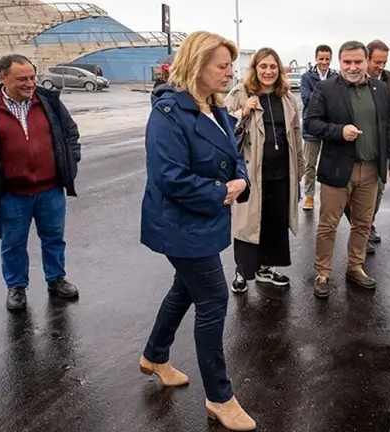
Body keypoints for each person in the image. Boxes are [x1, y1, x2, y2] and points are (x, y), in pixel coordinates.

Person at [138, 31, 256, 431]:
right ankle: (220, 398)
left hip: (204, 219)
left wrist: (239, 180)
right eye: (222, 66)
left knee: (185, 289)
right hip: (179, 223)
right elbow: (169, 178)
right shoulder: (169, 113)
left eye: (230, 66)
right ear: (197, 64)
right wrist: (222, 191)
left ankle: (155, 354)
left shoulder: (215, 107)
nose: (229, 73)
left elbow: (233, 155)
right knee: (213, 299)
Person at [304, 40, 390, 298]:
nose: (353, 67)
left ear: (366, 61)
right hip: (337, 169)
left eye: (358, 61)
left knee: (363, 223)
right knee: (328, 225)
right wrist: (338, 131)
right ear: (340, 62)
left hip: (370, 169)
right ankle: (323, 272)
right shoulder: (326, 88)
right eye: (347, 62)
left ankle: (355, 267)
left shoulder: (380, 89)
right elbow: (311, 122)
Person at [0, 54, 81, 311]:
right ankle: (17, 287)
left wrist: (70, 161)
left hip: (50, 189)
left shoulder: (48, 101)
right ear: (3, 77)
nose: (30, 83)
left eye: (32, 77)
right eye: (22, 79)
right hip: (11, 194)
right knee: (13, 243)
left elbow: (70, 132)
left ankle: (56, 280)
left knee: (54, 238)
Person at [224, 47, 305, 292]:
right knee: (247, 223)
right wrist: (241, 112)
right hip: (250, 174)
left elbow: (296, 133)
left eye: (272, 67)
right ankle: (242, 271)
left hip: (281, 172)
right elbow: (221, 127)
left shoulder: (287, 97)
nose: (268, 71)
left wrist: (300, 168)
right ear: (255, 69)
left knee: (274, 222)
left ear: (278, 70)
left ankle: (265, 268)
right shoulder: (240, 93)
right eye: (263, 66)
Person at [343, 39, 390, 254]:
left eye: (384, 63)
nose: (380, 67)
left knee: (377, 193)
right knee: (349, 197)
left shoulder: (389, 81)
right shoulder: (349, 82)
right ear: (367, 59)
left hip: (380, 150)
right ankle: (361, 229)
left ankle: (367, 225)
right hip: (353, 152)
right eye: (377, 62)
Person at [299, 44, 337, 211]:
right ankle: (309, 195)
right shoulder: (307, 77)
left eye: (327, 59)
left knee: (330, 163)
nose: (324, 62)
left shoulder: (336, 76)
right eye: (321, 58)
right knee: (310, 164)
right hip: (312, 127)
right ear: (316, 58)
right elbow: (307, 99)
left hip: (330, 126)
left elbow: (339, 100)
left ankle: (329, 197)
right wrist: (326, 100)